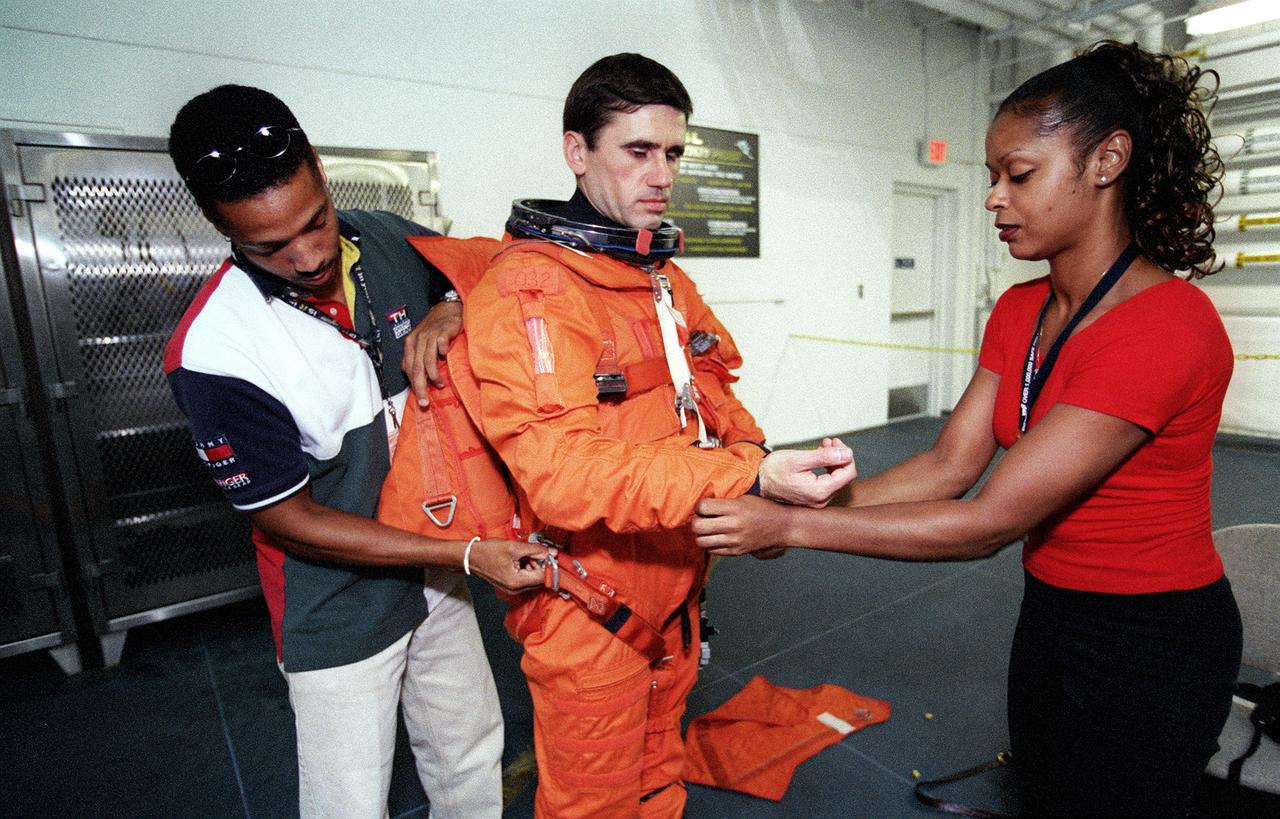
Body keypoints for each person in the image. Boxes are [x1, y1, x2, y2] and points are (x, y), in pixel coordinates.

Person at [693, 41, 1242, 818]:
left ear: (1107, 160)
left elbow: (987, 521)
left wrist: (783, 523)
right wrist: (814, 509)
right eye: (991, 177)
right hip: (1053, 612)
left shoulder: (1166, 326)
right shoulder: (1022, 309)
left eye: (1019, 174)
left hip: (1153, 638)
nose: (993, 197)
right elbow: (949, 465)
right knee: (1046, 795)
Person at [460, 54, 853, 817]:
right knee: (595, 804)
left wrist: (765, 476)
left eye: (672, 153)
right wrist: (748, 477)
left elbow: (715, 397)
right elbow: (565, 475)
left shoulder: (661, 279)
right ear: (577, 152)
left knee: (658, 784)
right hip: (591, 613)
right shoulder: (531, 290)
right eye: (637, 151)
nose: (661, 173)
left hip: (675, 596)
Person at [163, 85, 545, 819]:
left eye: (316, 222)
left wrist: (453, 306)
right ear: (218, 225)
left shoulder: (384, 239)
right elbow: (290, 519)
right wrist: (468, 554)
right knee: (349, 800)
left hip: (437, 566)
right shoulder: (215, 349)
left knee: (470, 752)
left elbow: (489, 274)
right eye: (270, 246)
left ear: (320, 173)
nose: (308, 256)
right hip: (333, 603)